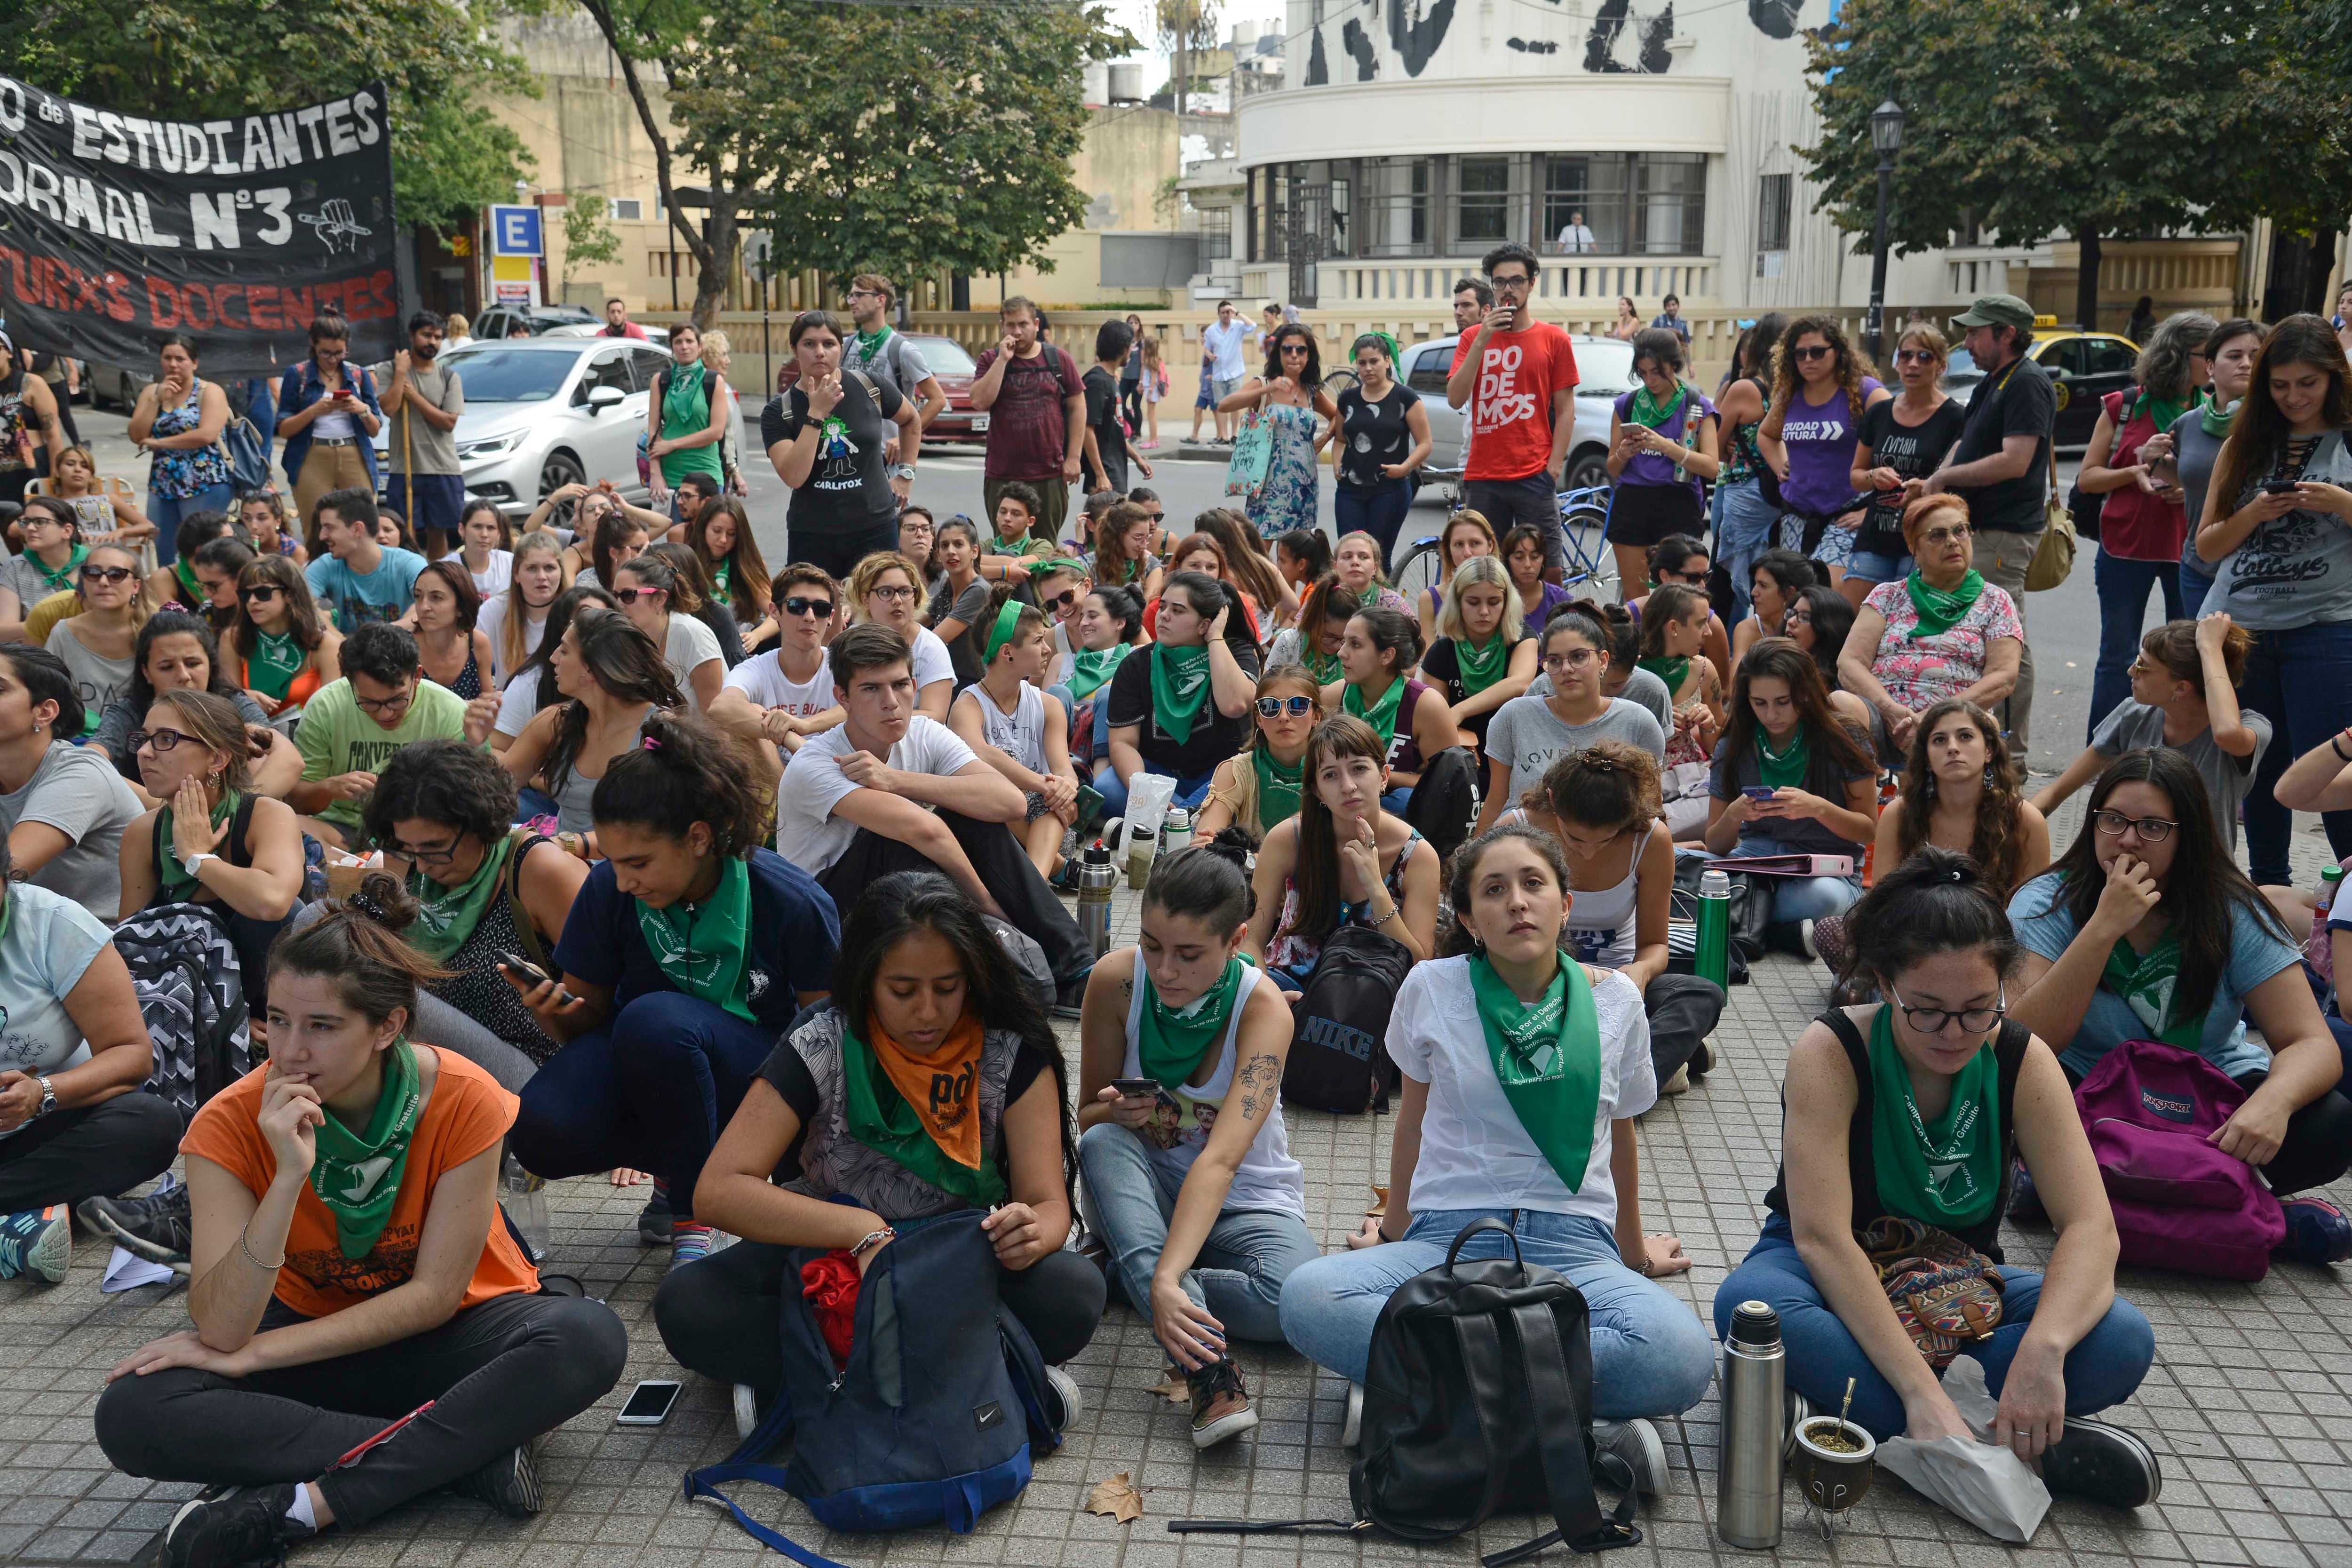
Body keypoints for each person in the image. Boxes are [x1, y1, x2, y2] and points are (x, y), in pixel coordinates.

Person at [94, 891, 628, 1560]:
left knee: (586, 1335)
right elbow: (224, 1329)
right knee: (134, 1410)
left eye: (322, 1026)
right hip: (319, 1339)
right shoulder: (229, 1122)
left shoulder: (461, 1095)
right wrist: (286, 1179)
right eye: (278, 1020)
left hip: (453, 1336)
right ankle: (465, 1452)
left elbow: (433, 1297)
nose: (291, 1050)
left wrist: (257, 1355)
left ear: (387, 1026)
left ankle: (310, 1504)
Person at [1708, 848, 2159, 1500]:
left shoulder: (2021, 1058)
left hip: (1953, 1283)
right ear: (1884, 984)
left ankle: (1834, 1417)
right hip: (1828, 1270)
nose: (1954, 1033)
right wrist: (1922, 1391)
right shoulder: (1832, 1050)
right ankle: (2002, 1437)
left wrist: (2043, 1352)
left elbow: (2092, 1227)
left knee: (2120, 1338)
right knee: (1752, 1308)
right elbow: (1822, 1239)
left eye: (1978, 1008)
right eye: (1926, 1009)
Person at [1280, 825, 1711, 1491]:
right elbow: (1411, 1122)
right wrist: (1393, 1232)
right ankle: (1573, 1422)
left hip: (1576, 1250)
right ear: (1468, 919)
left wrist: (1631, 1255)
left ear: (1565, 906)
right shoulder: (1432, 986)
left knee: (1679, 1356)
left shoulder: (1617, 1000)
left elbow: (1620, 1134)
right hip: (1447, 1242)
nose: (1516, 902)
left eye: (1534, 884)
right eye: (1493, 890)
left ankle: (1420, 1393)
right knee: (1308, 1297)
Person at [660, 871, 1101, 1420]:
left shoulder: (1011, 1048)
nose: (928, 1012)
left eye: (948, 988)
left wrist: (1033, 1234)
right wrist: (861, 1231)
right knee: (688, 1304)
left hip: (953, 1255)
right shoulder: (822, 1040)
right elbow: (718, 1191)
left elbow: (1048, 1204)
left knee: (1073, 1291)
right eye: (903, 991)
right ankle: (976, 1376)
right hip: (827, 1258)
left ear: (972, 977)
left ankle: (817, 1383)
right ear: (866, 979)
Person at [509, 709, 837, 1264]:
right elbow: (588, 1023)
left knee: (656, 1021)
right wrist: (553, 1011)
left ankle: (694, 1213)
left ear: (698, 838)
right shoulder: (611, 889)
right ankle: (678, 1167)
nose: (624, 880)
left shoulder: (789, 900)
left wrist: (808, 1167)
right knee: (540, 1128)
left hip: (762, 1076)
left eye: (639, 863)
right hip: (654, 1063)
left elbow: (828, 1047)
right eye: (614, 861)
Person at [2007, 748, 2352, 1263]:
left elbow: (2311, 1042)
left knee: (2331, 1124)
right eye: (2112, 819)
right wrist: (2102, 929)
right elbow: (2023, 1039)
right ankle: (2254, 1215)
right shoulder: (2046, 901)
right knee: (2009, 1092)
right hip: (2089, 1093)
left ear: (2186, 833)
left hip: (2206, 1103)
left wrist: (2273, 1103)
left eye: (2152, 826)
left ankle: (2066, 1190)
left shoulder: (2231, 908)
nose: (2127, 839)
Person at [1078, 837, 1306, 1448]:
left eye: (1188, 954)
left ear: (1235, 942)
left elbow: (1223, 1159)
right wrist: (1116, 1110)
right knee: (1103, 1142)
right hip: (1142, 1189)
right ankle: (1210, 1372)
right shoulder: (1116, 981)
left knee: (1289, 1304)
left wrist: (1167, 1276)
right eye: (1152, 945)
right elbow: (1087, 1118)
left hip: (1242, 1199)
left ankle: (1132, 1274)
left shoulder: (1263, 1010)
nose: (1165, 971)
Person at [772, 624, 1091, 1010]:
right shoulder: (816, 764)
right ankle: (1001, 971)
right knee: (899, 839)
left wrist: (896, 780)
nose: (891, 702)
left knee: (975, 817)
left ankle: (1074, 968)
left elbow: (1011, 803)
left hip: (899, 899)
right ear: (844, 698)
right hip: (825, 921)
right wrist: (988, 905)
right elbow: (922, 829)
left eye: (900, 685)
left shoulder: (923, 733)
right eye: (871, 689)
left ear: (914, 684)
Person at [2191, 314, 2352, 883]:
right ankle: (2267, 890)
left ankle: (2347, 894)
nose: (2293, 397)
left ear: (2333, 378)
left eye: (2307, 383)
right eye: (2279, 385)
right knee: (2255, 770)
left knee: (2328, 771)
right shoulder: (2243, 444)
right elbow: (2206, 547)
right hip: (2242, 627)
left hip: (2326, 629)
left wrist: (2338, 502)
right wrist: (2253, 514)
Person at [361, 740, 590, 1091]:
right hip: (422, 1055)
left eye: (436, 848)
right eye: (407, 848)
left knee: (377, 984)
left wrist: (551, 1010)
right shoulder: (410, 860)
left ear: (482, 824)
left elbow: (597, 1014)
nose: (422, 865)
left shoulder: (540, 871)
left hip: (523, 1072)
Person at [1509, 745, 1723, 1089]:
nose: (1587, 853)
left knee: (1702, 994)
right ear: (1552, 800)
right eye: (1574, 838)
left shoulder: (1651, 839)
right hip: (1538, 985)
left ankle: (1604, 1081)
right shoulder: (1516, 831)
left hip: (1613, 984)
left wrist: (1640, 972)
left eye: (1606, 840)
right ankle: (1642, 1071)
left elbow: (1655, 945)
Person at [1923, 294, 2057, 750]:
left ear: (2007, 334)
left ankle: (2009, 754)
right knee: (1983, 639)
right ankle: (1986, 746)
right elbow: (1966, 445)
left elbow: (2014, 461)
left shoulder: (2026, 383)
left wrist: (1945, 478)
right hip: (1980, 528)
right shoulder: (1995, 380)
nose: (1967, 343)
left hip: (2004, 532)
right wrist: (1934, 484)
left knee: (2005, 645)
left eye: (1976, 333)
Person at [2077, 313, 2215, 734]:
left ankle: (2180, 751)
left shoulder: (2213, 410)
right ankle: (2103, 752)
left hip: (2189, 551)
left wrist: (2190, 488)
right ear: (2178, 355)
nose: (2215, 364)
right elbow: (2087, 478)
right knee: (2118, 657)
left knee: (2189, 660)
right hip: (2125, 545)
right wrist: (2133, 472)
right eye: (2207, 354)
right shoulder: (2124, 405)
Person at [117, 684, 303, 989]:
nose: (144, 752)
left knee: (273, 914)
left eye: (166, 739)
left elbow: (274, 903)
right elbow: (131, 945)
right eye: (144, 739)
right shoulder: (143, 833)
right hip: (191, 1003)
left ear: (217, 759)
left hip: (274, 994)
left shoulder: (266, 815)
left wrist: (198, 858)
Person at [1243, 712, 1441, 990]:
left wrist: (1377, 889)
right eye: (1331, 775)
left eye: (1359, 768)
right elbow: (1250, 940)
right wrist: (1268, 997)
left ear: (1384, 777)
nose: (1348, 786)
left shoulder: (1417, 856)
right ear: (1318, 791)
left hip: (1372, 996)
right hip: (1286, 986)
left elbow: (1419, 967)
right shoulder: (1288, 839)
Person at [2034, 615, 2267, 852]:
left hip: (2200, 873)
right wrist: (2021, 822)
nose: (2131, 671)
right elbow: (2056, 792)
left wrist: (2210, 648)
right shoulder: (2133, 715)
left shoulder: (2251, 727)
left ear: (2181, 688)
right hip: (2124, 862)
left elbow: (2227, 734)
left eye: (2142, 666)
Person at [1704, 637, 1878, 939]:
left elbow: (1867, 830)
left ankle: (1744, 919)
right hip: (1756, 861)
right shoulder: (1734, 744)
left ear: (1805, 693)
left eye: (1783, 702)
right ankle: (1783, 932)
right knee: (1685, 869)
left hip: (1826, 869)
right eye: (1759, 703)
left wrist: (1818, 808)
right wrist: (1734, 815)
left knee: (1825, 898)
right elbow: (1715, 846)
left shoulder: (1845, 738)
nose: (1771, 715)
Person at [1838, 494, 2025, 765]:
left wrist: (1938, 715)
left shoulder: (1996, 601)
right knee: (1841, 703)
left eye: (1960, 530)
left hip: (1957, 720)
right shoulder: (1888, 595)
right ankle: (1860, 793)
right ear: (1914, 549)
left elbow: (2003, 676)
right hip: (1885, 719)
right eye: (1938, 535)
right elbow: (1850, 662)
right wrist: (1891, 711)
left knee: (1986, 726)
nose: (1953, 541)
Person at [1447, 243, 1581, 573]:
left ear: (1531, 283)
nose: (1508, 289)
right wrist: (1483, 338)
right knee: (1484, 571)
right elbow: (1455, 398)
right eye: (1500, 282)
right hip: (1483, 475)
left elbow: (1566, 410)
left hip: (1534, 473)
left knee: (1546, 569)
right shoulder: (1473, 338)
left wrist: (1553, 467)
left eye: (1517, 281)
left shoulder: (1554, 339)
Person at [1477, 605, 1666, 834]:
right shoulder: (1513, 716)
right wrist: (1476, 853)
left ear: (1603, 660)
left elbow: (1651, 813)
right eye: (1555, 661)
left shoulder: (1639, 723)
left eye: (1578, 657)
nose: (1566, 669)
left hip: (1607, 847)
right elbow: (1497, 800)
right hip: (1523, 844)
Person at [762, 310, 920, 579]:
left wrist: (906, 473)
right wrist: (816, 414)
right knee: (814, 604)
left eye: (829, 344)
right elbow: (794, 476)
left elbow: (911, 420)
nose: (820, 352)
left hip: (875, 528)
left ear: (841, 347)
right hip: (813, 534)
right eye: (809, 344)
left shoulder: (870, 386)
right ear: (794, 349)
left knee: (879, 602)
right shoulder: (779, 411)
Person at [500, 609, 687, 836]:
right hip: (557, 854)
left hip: (620, 857)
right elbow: (494, 789)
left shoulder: (658, 731)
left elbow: (661, 831)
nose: (553, 658)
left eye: (564, 651)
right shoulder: (555, 723)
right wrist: (478, 741)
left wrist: (576, 846)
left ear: (592, 668)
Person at [292, 623, 477, 851]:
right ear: (350, 682)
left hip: (418, 835)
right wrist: (328, 787)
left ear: (417, 676)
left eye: (397, 700)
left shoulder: (449, 711)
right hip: (340, 829)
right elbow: (296, 802)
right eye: (369, 703)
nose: (385, 714)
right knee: (293, 828)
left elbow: (463, 803)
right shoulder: (325, 707)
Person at [88, 611, 302, 802]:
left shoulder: (233, 703)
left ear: (211, 664)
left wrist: (238, 811)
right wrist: (167, 812)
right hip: (151, 821)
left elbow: (289, 758)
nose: (184, 675)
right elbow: (90, 762)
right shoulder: (131, 712)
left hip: (229, 822)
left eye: (193, 664)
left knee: (256, 754)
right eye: (167, 667)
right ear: (146, 672)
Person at [1104, 573, 1261, 817]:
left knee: (1244, 782)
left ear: (1204, 625)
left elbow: (1235, 705)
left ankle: (1178, 817)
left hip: (1220, 774)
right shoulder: (1137, 664)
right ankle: (1188, 816)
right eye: (1162, 607)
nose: (1163, 615)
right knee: (1107, 789)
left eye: (1177, 611)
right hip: (1158, 774)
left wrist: (1215, 638)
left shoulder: (1236, 652)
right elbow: (1123, 742)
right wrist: (1146, 790)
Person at [950, 590, 1079, 878]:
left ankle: (1036, 884)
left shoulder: (1049, 705)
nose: (1047, 649)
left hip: (1042, 819)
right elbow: (980, 753)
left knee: (1058, 800)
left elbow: (1064, 770)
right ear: (1008, 652)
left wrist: (1065, 787)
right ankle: (1052, 871)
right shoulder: (968, 705)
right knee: (1002, 783)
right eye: (1038, 641)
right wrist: (1045, 786)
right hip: (989, 822)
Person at [1763, 315, 1887, 591]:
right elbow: (1767, 435)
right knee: (1792, 598)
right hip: (1797, 516)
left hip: (1846, 515)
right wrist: (1781, 466)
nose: (1808, 360)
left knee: (1825, 596)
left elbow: (1901, 446)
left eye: (1818, 352)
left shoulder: (1866, 391)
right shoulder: (1790, 394)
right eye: (1800, 354)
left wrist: (1872, 511)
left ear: (1838, 352)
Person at [1849, 322, 1968, 596]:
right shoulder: (1879, 413)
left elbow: (1961, 486)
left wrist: (1926, 488)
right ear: (1897, 363)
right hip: (1875, 538)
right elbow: (1856, 476)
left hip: (1927, 538)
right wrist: (1873, 476)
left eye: (1925, 357)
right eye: (1906, 356)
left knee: (1912, 618)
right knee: (1856, 616)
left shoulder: (1956, 418)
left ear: (1941, 366)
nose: (1913, 364)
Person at [2159, 318, 2265, 612]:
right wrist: (2154, 461)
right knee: (2198, 642)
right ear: (2210, 367)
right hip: (2199, 569)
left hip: (2259, 574)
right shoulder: (2188, 423)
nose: (2246, 364)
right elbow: (2188, 479)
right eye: (2234, 356)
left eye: (2255, 356)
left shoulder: (2279, 424)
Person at [971, 297, 1085, 543]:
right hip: (1003, 473)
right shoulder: (990, 359)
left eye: (1023, 324)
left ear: (1036, 325)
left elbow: (1078, 407)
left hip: (1048, 472)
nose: (1017, 332)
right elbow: (980, 401)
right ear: (1002, 326)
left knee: (1046, 546)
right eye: (1011, 325)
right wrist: (1003, 360)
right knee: (1006, 545)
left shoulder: (1058, 359)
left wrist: (1074, 458)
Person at [709, 563, 842, 766]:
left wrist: (805, 725)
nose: (810, 617)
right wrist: (789, 737)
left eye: (821, 609)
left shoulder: (844, 664)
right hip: (775, 776)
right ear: (774, 611)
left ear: (831, 617)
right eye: (797, 606)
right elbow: (720, 708)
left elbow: (866, 708)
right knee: (753, 710)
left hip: (833, 773)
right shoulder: (756, 669)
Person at [1327, 606, 1457, 808]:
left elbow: (1448, 784)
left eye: (1355, 645)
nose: (1341, 653)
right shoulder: (1335, 696)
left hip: (1399, 815)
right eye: (1344, 642)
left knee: (1403, 800)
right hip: (1341, 803)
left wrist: (1378, 775)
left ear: (1387, 656)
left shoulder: (1426, 705)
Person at [1216, 323, 1336, 541]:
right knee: (1260, 549)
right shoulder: (1263, 384)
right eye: (1287, 349)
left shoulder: (1311, 391)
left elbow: (1339, 416)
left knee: (1298, 551)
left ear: (1309, 355)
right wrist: (1269, 389)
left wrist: (1324, 438)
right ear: (1278, 353)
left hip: (1305, 485)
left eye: (1301, 350)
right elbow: (1224, 405)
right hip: (1269, 484)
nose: (1294, 355)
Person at [1423, 554, 1538, 774]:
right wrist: (1456, 742)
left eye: (1494, 602)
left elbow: (1519, 683)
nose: (1484, 612)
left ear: (1507, 603)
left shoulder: (1523, 638)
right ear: (1458, 602)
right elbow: (1433, 719)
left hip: (1518, 753)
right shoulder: (1440, 651)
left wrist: (1460, 710)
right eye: (1473, 602)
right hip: (1463, 756)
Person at [125, 334, 232, 556]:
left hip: (204, 481)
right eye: (168, 358)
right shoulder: (152, 392)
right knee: (161, 548)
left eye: (180, 359)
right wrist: (156, 401)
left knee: (200, 549)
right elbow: (137, 435)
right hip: (163, 483)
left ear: (194, 363)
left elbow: (207, 434)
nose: (173, 364)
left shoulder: (209, 391)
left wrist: (159, 442)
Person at [275, 314, 383, 529]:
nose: (333, 359)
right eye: (325, 352)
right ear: (313, 344)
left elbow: (374, 430)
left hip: (354, 451)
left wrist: (362, 410)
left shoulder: (358, 374)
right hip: (312, 454)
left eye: (339, 353)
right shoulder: (298, 374)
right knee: (316, 527)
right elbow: (284, 429)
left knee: (362, 524)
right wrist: (314, 411)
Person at [1633, 582, 1725, 833]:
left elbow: (1718, 748)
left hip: (1690, 784)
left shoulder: (1703, 670)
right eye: (1701, 623)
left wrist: (1708, 725)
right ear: (1673, 627)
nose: (1709, 632)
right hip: (1641, 784)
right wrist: (1651, 727)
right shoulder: (1628, 674)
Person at [490, 586, 618, 764]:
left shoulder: (637, 704)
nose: (596, 630)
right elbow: (497, 751)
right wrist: (541, 776)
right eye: (585, 620)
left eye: (605, 621)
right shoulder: (538, 699)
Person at [1193, 668, 1319, 844]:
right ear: (1259, 718)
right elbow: (1203, 844)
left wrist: (1243, 855)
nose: (1284, 717)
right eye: (1270, 707)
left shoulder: (1333, 769)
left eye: (1298, 705)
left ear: (1316, 716)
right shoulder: (1236, 770)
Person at [375, 311, 465, 554]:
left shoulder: (449, 377)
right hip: (404, 467)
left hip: (442, 467)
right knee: (403, 532)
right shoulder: (391, 370)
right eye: (426, 335)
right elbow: (389, 409)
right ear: (412, 336)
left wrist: (415, 397)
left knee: (439, 531)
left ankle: (437, 574)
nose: (432, 342)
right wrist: (401, 373)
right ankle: (411, 574)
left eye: (438, 337)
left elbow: (448, 422)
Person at [226, 556, 342, 730]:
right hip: (250, 734)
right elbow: (225, 699)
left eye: (263, 593)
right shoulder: (234, 638)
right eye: (245, 595)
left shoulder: (324, 644)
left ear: (290, 594)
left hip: (307, 735)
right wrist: (242, 697)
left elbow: (332, 714)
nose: (252, 601)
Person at [846, 552, 954, 721]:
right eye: (886, 592)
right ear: (865, 599)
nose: (897, 600)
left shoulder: (931, 648)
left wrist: (879, 719)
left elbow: (935, 716)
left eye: (905, 592)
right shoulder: (847, 645)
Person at [611, 553, 723, 711]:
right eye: (615, 596)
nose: (619, 604)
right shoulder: (628, 639)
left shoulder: (692, 634)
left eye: (628, 595)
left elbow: (715, 715)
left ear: (659, 598)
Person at [305, 488, 425, 631]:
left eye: (329, 528)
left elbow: (427, 609)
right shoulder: (326, 565)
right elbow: (298, 606)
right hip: (345, 644)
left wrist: (374, 636)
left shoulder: (410, 564)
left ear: (357, 529)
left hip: (401, 643)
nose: (322, 536)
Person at [843, 273, 947, 437]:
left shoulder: (903, 350)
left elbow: (938, 399)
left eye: (859, 295)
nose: (852, 301)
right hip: (847, 448)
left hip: (886, 451)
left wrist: (906, 438)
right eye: (851, 296)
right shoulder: (845, 346)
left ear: (880, 300)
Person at [645, 321, 730, 518]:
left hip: (706, 472)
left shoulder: (713, 381)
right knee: (677, 534)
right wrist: (656, 474)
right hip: (672, 474)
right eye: (678, 342)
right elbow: (653, 431)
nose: (684, 347)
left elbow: (716, 432)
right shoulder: (661, 381)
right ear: (672, 348)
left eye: (689, 341)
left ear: (700, 347)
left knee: (708, 532)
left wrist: (672, 444)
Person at [1628, 533, 1733, 677]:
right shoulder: (1631, 618)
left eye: (1706, 576)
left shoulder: (1711, 624)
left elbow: (1724, 686)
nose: (1702, 586)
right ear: (1665, 576)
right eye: (1693, 578)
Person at [690, 497, 776, 653]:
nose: (723, 540)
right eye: (717, 531)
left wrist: (757, 636)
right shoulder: (687, 561)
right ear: (703, 527)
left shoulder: (748, 566)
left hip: (735, 648)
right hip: (694, 645)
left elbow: (777, 615)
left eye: (732, 534)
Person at [0, 497, 90, 645]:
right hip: (38, 651)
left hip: (90, 646)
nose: (30, 528)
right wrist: (45, 622)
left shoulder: (92, 563)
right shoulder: (16, 566)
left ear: (67, 531)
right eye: (26, 522)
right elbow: (3, 633)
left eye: (40, 522)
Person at [480, 531, 562, 687]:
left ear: (561, 572)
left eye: (550, 568)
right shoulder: (495, 608)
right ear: (516, 574)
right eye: (532, 568)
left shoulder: (575, 610)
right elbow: (468, 651)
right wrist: (488, 693)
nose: (542, 576)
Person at [1085, 320, 1154, 496]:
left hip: (1115, 472)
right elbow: (1087, 429)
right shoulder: (1097, 382)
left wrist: (1137, 458)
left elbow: (1114, 432)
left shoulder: (1110, 380)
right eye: (1130, 347)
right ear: (1124, 350)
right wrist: (1100, 475)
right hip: (1105, 476)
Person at [46, 442, 154, 550]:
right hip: (75, 554)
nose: (78, 469)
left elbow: (148, 526)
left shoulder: (108, 500)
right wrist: (73, 536)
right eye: (70, 464)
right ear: (58, 472)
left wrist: (121, 532)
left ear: (91, 477)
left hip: (110, 552)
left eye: (85, 466)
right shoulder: (52, 506)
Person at [926, 515, 994, 687]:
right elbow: (919, 620)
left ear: (974, 552)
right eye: (944, 546)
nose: (951, 551)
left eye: (958, 544)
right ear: (938, 554)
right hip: (948, 678)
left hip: (975, 685)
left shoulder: (979, 591)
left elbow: (934, 640)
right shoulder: (947, 587)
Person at [1782, 583, 1866, 722]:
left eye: (1804, 617)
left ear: (1827, 628)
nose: (1791, 622)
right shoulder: (1771, 667)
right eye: (1792, 614)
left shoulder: (1842, 690)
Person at [1414, 509, 1499, 645]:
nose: (1467, 553)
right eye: (1459, 544)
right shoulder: (1430, 598)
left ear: (1490, 546)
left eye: (1475, 543)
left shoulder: (1505, 593)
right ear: (1449, 549)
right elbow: (1428, 653)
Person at [0, 331, 63, 512]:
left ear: (10, 353)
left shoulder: (31, 384)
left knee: (31, 520)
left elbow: (53, 435)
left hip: (31, 469)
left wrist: (55, 476)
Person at [410, 561, 490, 702]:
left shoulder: (478, 643)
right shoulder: (404, 646)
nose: (424, 607)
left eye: (437, 597)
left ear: (461, 607)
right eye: (418, 596)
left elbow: (489, 702)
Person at [1732, 547, 1817, 668]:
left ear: (1790, 594)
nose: (1754, 593)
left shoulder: (1812, 629)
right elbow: (1736, 678)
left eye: (1763, 586)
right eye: (1755, 584)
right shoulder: (1749, 629)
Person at [1502, 522, 1573, 636]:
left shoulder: (1560, 599)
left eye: (1535, 557)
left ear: (1543, 559)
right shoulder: (1499, 597)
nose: (1528, 565)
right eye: (1519, 558)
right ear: (1508, 561)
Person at [1088, 499, 1164, 603]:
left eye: (1147, 537)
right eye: (1138, 537)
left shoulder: (1151, 565)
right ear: (1116, 535)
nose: (1144, 545)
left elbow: (1147, 608)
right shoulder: (1087, 566)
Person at [441, 498, 513, 601]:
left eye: (491, 528)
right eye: (477, 527)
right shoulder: (445, 569)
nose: (484, 534)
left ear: (499, 534)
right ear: (462, 530)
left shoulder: (510, 563)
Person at [1330, 527, 1413, 617]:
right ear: (1336, 566)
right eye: (1347, 557)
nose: (1355, 562)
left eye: (1364, 557)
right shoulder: (1324, 600)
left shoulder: (1393, 604)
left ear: (1375, 568)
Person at [1201, 300, 1251, 443]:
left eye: (1229, 312)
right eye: (1223, 312)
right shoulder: (1212, 330)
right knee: (1221, 406)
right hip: (1218, 374)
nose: (1226, 315)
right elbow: (1206, 348)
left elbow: (1252, 325)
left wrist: (1238, 313)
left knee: (1235, 405)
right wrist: (1209, 355)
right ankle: (1224, 436)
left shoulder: (1238, 326)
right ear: (1219, 314)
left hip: (1235, 373)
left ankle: (1235, 434)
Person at [1139, 330, 1167, 449]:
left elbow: (1154, 377)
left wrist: (1150, 391)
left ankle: (1153, 440)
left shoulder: (1152, 361)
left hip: (1152, 390)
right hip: (1151, 389)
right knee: (1151, 415)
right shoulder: (1154, 359)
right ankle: (1154, 440)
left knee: (1151, 416)